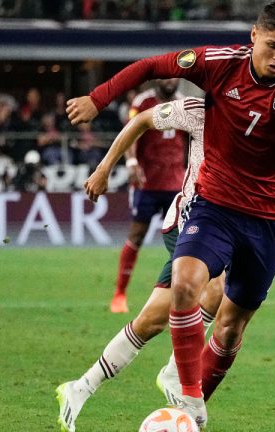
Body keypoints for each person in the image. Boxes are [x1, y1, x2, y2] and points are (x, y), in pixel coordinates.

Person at [65, 1, 275, 428]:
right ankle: (188, 400)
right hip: (210, 207)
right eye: (272, 46)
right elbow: (151, 67)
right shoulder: (215, 68)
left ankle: (174, 381)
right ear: (253, 35)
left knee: (230, 327)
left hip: (267, 220)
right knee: (186, 286)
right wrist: (98, 100)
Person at [56, 96, 223, 432]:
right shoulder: (202, 109)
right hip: (190, 219)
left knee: (150, 322)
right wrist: (106, 167)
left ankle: (79, 387)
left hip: (222, 224)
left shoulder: (266, 117)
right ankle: (176, 373)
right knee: (216, 284)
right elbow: (142, 120)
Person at [109, 78, 186, 314]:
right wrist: (131, 161)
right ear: (158, 79)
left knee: (183, 241)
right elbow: (131, 131)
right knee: (137, 235)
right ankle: (120, 294)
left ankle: (183, 296)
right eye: (167, 76)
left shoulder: (184, 103)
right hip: (147, 182)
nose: (171, 81)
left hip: (176, 183)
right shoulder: (143, 102)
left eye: (175, 77)